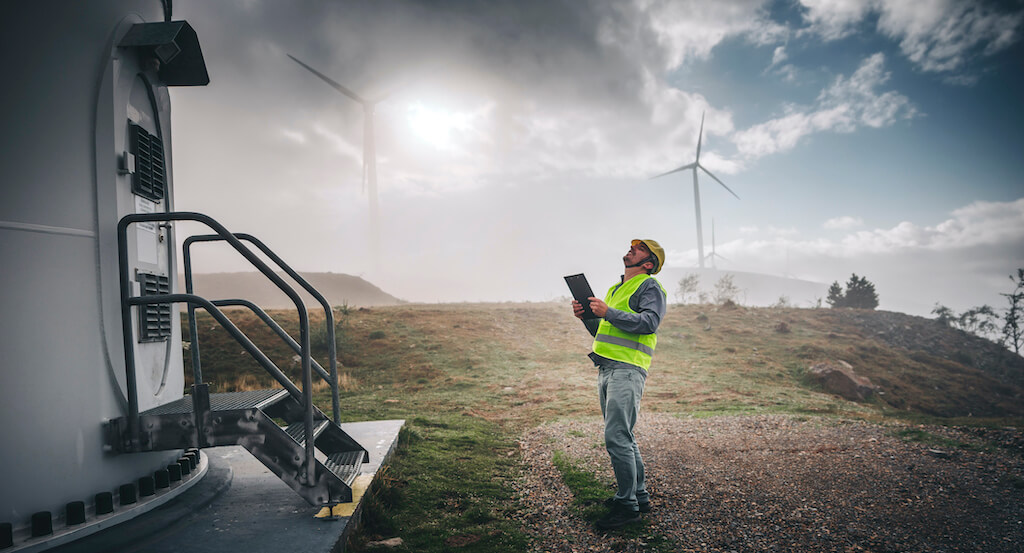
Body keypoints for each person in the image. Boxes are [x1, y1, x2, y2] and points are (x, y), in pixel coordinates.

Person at [572, 238, 667, 530]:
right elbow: (605, 329)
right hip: (607, 367)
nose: (631, 250)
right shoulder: (615, 289)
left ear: (648, 263)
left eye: (638, 249)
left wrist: (607, 312)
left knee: (616, 437)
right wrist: (587, 317)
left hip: (627, 369)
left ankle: (627, 508)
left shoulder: (649, 287)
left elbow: (649, 322)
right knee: (623, 435)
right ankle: (639, 496)